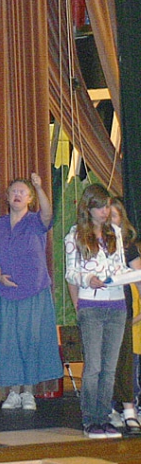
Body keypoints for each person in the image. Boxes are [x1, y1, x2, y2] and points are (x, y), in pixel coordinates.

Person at [0, 173, 63, 412]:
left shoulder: (36, 221)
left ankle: (29, 392)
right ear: (7, 197)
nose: (17, 195)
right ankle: (13, 392)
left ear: (30, 198)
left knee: (31, 341)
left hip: (33, 291)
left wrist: (40, 187)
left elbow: (48, 214)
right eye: (14, 191)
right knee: (8, 343)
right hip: (3, 292)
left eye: (23, 192)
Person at [64, 184, 130, 439]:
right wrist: (88, 278)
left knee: (110, 366)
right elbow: (71, 272)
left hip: (116, 305)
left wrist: (128, 275)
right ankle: (91, 419)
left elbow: (120, 266)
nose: (106, 211)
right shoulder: (75, 235)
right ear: (89, 208)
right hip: (91, 305)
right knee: (93, 366)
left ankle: (104, 416)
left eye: (107, 205)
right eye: (101, 207)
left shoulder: (114, 232)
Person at [109, 197, 141, 434]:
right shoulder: (95, 242)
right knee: (104, 363)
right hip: (101, 309)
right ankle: (109, 408)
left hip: (124, 309)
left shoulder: (128, 246)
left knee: (125, 363)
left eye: (115, 216)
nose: (110, 221)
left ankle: (129, 408)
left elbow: (139, 276)